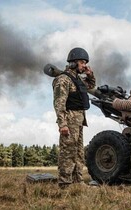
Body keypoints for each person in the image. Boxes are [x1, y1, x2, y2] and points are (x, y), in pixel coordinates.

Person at [52, 47, 96, 188]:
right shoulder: (63, 79)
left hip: (79, 120)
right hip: (69, 119)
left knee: (78, 153)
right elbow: (59, 103)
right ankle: (65, 183)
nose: (84, 65)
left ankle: (78, 181)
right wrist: (62, 124)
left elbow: (90, 85)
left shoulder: (77, 80)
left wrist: (90, 75)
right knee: (68, 152)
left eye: (85, 63)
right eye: (82, 62)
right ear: (73, 62)